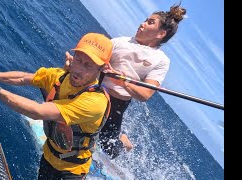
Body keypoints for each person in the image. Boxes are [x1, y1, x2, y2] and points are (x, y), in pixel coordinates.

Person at [0, 32, 113, 179]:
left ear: (100, 70)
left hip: (71, 172)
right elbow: (24, 78)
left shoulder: (95, 102)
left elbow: (38, 111)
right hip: (48, 157)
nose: (78, 69)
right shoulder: (60, 76)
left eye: (88, 65)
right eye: (78, 59)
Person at [64, 3, 186, 159]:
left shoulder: (161, 60)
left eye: (150, 22)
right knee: (79, 125)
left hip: (117, 104)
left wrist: (123, 81)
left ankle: (123, 140)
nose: (142, 24)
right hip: (95, 91)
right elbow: (92, 64)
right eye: (145, 20)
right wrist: (73, 66)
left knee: (109, 150)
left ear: (161, 33)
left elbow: (145, 95)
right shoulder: (119, 42)